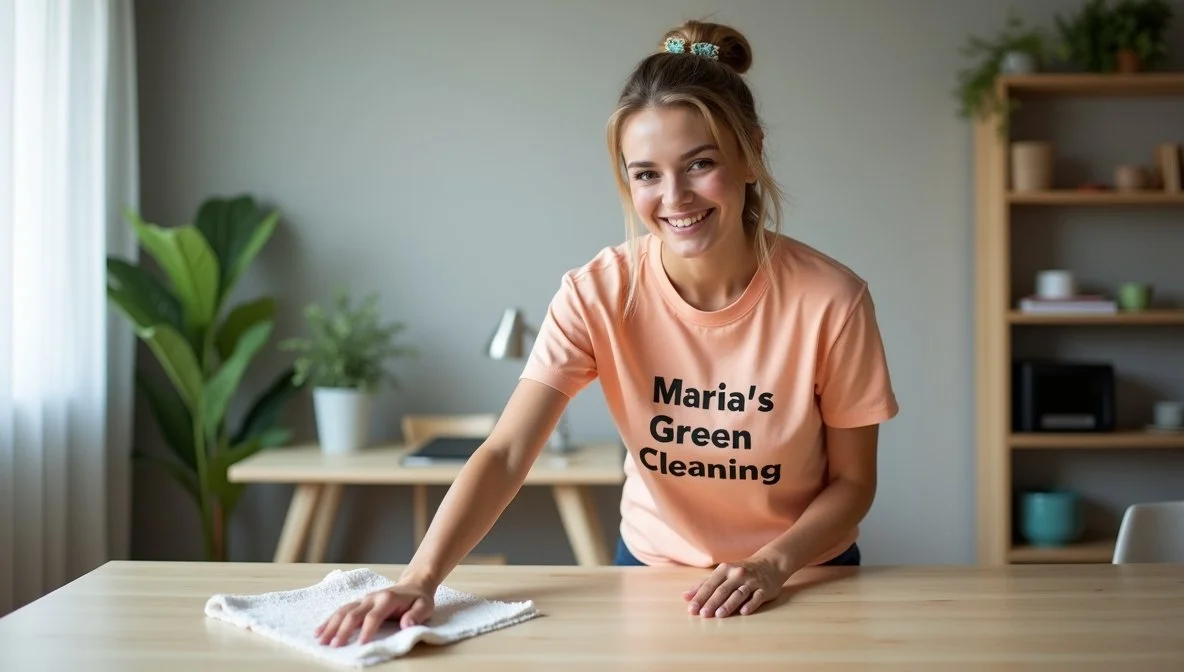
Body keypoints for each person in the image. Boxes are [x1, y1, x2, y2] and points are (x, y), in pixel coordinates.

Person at [315, 18, 898, 647]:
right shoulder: (596, 293)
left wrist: (773, 563)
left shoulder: (833, 300)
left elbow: (852, 483)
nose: (674, 197)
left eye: (700, 164)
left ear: (752, 154)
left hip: (804, 577)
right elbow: (507, 453)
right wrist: (421, 577)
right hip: (651, 575)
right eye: (646, 173)